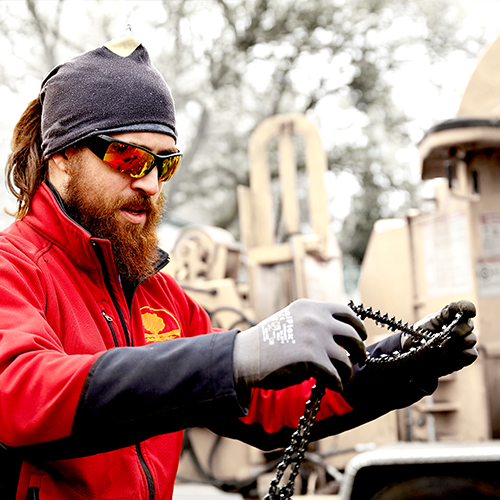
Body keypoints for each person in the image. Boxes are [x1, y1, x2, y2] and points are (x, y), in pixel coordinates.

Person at [0, 33, 477, 500]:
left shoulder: (161, 296)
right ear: (61, 158)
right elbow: (22, 397)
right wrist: (234, 355)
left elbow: (269, 409)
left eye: (164, 164)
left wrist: (391, 367)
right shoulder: (13, 267)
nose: (149, 183)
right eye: (126, 157)